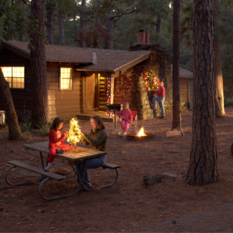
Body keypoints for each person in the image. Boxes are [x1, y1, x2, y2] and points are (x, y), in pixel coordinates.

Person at [78, 115, 107, 189]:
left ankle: (86, 184)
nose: (91, 124)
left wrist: (85, 134)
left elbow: (95, 143)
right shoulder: (93, 131)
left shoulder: (102, 132)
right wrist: (81, 135)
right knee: (78, 163)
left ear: (98, 122)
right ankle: (81, 183)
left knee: (82, 165)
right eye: (91, 122)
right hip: (93, 156)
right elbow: (85, 143)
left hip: (100, 158)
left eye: (93, 122)